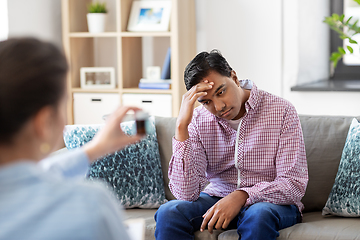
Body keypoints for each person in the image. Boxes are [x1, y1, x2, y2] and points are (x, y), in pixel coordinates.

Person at [154, 50, 308, 240]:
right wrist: (181, 127)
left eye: (221, 92)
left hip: (269, 204)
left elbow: (293, 184)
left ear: (234, 77)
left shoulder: (282, 111)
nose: (218, 107)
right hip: (218, 199)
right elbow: (186, 194)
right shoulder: (198, 122)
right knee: (169, 212)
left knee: (258, 215)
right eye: (206, 101)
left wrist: (242, 195)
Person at [0, 38, 144, 240]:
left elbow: (38, 174)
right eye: (64, 104)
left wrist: (95, 149)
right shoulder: (89, 205)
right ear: (44, 122)